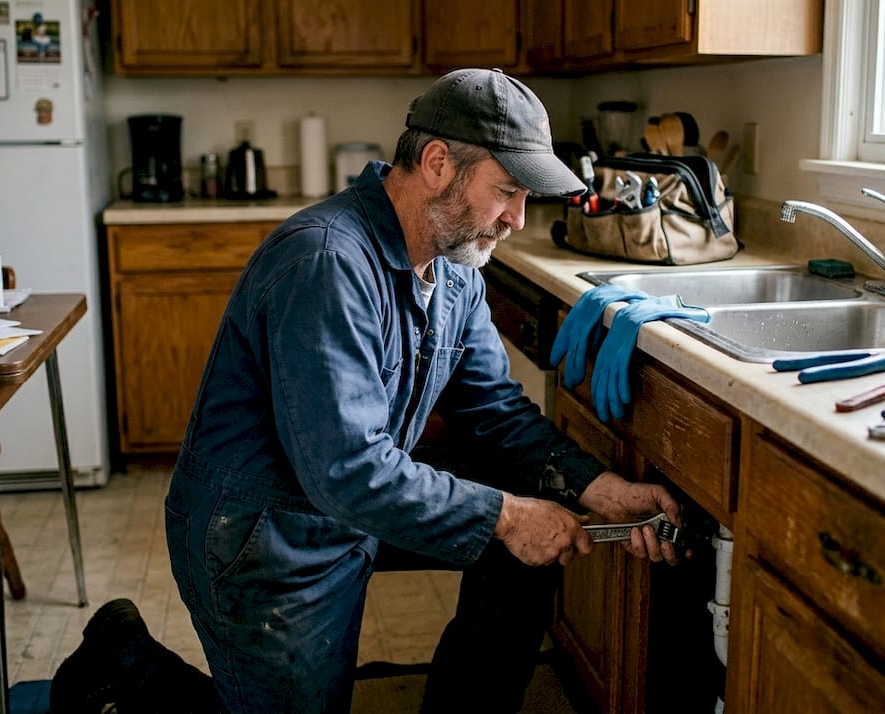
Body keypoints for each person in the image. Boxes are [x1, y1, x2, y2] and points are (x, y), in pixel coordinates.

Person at [55, 68, 686, 714]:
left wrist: (595, 489)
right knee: (511, 519)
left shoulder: (455, 266)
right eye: (508, 192)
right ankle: (123, 665)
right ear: (438, 163)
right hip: (263, 535)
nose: (518, 220)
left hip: (346, 501)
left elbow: (495, 412)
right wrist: (505, 516)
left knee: (529, 521)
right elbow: (348, 470)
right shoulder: (325, 261)